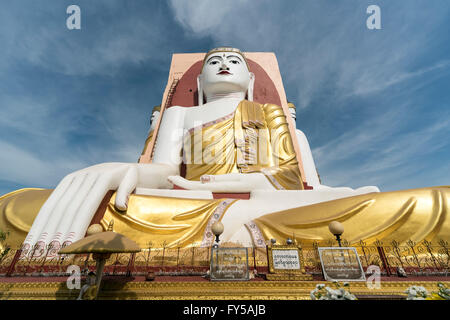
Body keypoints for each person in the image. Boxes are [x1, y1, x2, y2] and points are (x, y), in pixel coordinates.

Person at [1, 47, 447, 254]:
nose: (224, 65)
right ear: (198, 85)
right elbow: (162, 173)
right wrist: (123, 172)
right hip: (185, 205)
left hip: (275, 204)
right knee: (18, 204)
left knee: (436, 201)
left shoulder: (273, 118)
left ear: (252, 80)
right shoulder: (182, 117)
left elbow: (294, 182)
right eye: (215, 61)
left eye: (235, 61)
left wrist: (253, 184)